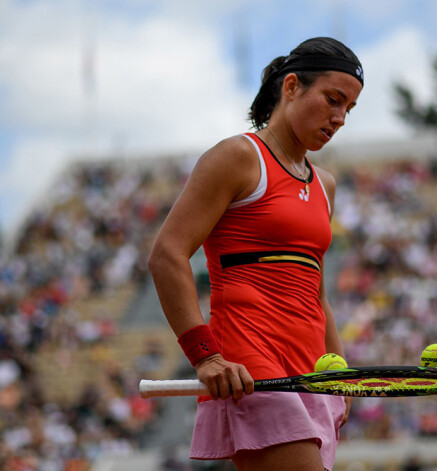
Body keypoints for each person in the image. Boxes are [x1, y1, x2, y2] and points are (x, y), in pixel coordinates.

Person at [148, 37, 364, 471]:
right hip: (250, 360)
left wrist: (339, 374)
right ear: (290, 88)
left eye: (349, 109)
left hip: (310, 367)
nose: (339, 118)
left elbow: (316, 293)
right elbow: (167, 254)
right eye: (333, 100)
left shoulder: (326, 185)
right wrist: (205, 356)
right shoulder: (237, 157)